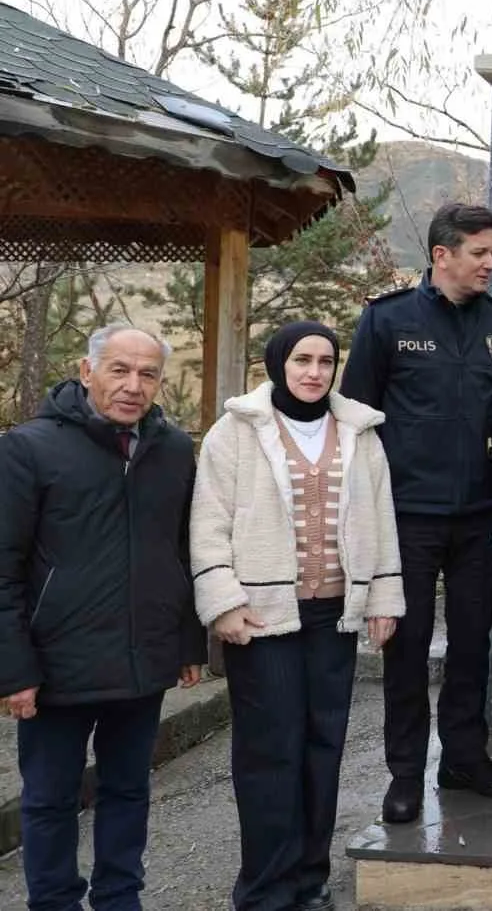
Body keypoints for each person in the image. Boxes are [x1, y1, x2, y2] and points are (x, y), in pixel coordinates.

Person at [190, 320, 407, 911]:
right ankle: (264, 889)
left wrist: (384, 598)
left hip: (332, 616)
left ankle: (309, 879)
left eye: (325, 361)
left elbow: (382, 520)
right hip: (261, 620)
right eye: (302, 360)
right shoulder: (235, 432)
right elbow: (208, 524)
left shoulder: (360, 433)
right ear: (278, 363)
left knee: (322, 746)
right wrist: (224, 602)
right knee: (270, 751)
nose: (314, 372)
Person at [0, 325, 207, 911]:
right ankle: (55, 902)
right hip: (56, 664)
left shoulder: (171, 449)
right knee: (50, 799)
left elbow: (181, 552)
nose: (133, 386)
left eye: (147, 374)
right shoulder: (28, 448)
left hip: (143, 660)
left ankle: (120, 898)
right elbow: (3, 566)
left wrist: (187, 644)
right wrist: (13, 669)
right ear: (87, 371)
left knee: (129, 790)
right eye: (119, 370)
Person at [340, 202, 492, 824]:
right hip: (407, 513)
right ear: (442, 255)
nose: (490, 264)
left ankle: (464, 758)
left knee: (472, 643)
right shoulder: (387, 319)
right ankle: (406, 774)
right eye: (480, 253)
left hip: (478, 514)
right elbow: (356, 416)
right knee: (409, 647)